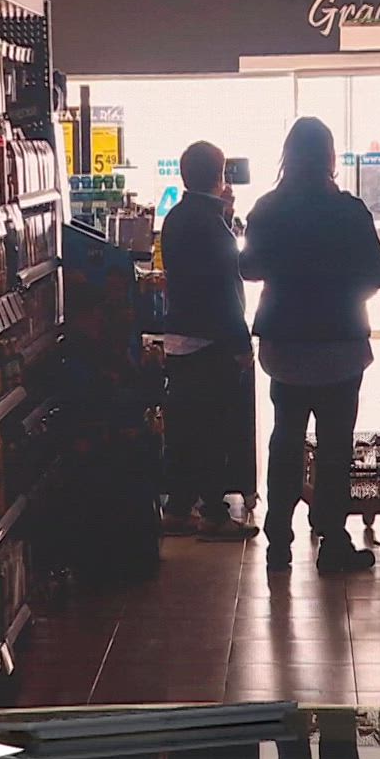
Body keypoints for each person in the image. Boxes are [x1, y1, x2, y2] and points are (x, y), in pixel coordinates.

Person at [241, 117, 380, 574]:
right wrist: (343, 294)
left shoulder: (268, 209)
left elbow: (248, 268)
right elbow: (379, 274)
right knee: (335, 446)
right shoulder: (349, 211)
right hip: (340, 341)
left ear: (287, 155)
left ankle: (278, 542)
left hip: (285, 343)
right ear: (330, 156)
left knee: (285, 438)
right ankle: (332, 539)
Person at [158, 140, 258, 541]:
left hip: (178, 335)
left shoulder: (176, 217)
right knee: (215, 430)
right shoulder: (211, 226)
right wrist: (241, 344)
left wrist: (225, 214)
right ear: (220, 175)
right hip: (210, 340)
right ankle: (214, 514)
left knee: (184, 429)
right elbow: (224, 289)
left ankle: (178, 508)